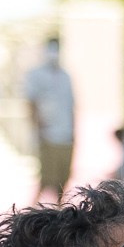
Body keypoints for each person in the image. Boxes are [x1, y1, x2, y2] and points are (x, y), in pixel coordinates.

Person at [21, 36, 75, 204]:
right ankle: (29, 217)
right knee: (46, 180)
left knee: (62, 180)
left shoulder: (66, 76)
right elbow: (31, 103)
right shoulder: (36, 74)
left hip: (65, 136)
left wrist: (74, 134)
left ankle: (60, 216)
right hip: (48, 135)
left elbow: (71, 106)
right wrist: (38, 129)